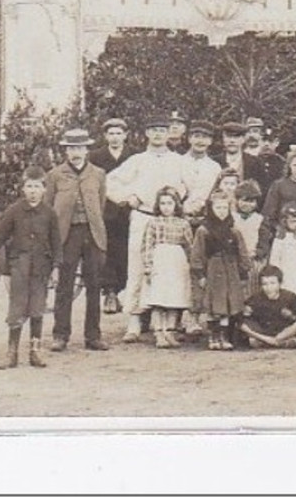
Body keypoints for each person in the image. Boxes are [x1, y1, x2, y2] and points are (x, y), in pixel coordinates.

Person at [105, 114, 191, 342]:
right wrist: (127, 197)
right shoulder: (137, 160)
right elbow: (110, 181)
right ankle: (134, 322)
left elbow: (189, 186)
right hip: (143, 218)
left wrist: (179, 199)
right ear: (146, 134)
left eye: (162, 130)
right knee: (137, 266)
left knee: (169, 269)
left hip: (170, 222)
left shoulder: (178, 160)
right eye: (153, 130)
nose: (158, 134)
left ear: (168, 133)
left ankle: (168, 324)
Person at [46, 127, 111, 353]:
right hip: (67, 234)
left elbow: (100, 205)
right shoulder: (55, 175)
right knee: (64, 286)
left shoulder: (98, 174)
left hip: (92, 233)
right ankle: (60, 334)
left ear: (87, 149)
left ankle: (93, 335)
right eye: (72, 148)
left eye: (80, 148)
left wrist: (94, 226)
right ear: (65, 150)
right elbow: (49, 207)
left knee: (94, 285)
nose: (76, 152)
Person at [0, 166, 60, 369]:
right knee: (17, 306)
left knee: (38, 307)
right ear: (22, 188)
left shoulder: (49, 213)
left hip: (41, 267)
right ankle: (11, 353)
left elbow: (56, 242)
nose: (32, 191)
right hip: (19, 265)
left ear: (44, 189)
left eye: (37, 186)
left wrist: (56, 267)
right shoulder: (13, 211)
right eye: (29, 186)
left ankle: (35, 351)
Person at [191, 190, 252, 351]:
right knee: (214, 306)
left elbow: (242, 253)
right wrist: (200, 275)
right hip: (213, 271)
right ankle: (213, 336)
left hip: (230, 271)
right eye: (218, 208)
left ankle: (224, 336)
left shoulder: (234, 231)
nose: (222, 212)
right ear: (211, 209)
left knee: (226, 305)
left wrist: (243, 272)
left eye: (225, 208)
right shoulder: (203, 231)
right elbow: (197, 254)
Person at [139, 186, 195, 349]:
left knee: (173, 299)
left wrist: (192, 265)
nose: (166, 207)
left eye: (169, 203)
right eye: (162, 203)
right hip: (160, 261)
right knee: (159, 300)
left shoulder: (183, 224)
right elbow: (147, 245)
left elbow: (189, 246)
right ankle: (158, 332)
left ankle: (170, 331)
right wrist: (149, 267)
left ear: (176, 205)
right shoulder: (153, 222)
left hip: (177, 263)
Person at [90, 117, 136, 315]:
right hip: (105, 210)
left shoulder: (135, 155)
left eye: (119, 133)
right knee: (106, 249)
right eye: (111, 134)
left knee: (127, 249)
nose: (115, 137)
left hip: (129, 210)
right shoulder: (95, 156)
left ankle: (125, 291)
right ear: (105, 136)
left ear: (125, 135)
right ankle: (109, 291)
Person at [240, 266, 296, 349]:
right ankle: (276, 343)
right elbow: (243, 321)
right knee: (246, 330)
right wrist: (265, 338)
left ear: (280, 283)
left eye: (272, 283)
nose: (269, 288)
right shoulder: (255, 299)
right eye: (265, 284)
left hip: (283, 333)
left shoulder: (290, 297)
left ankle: (276, 341)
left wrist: (291, 316)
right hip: (263, 334)